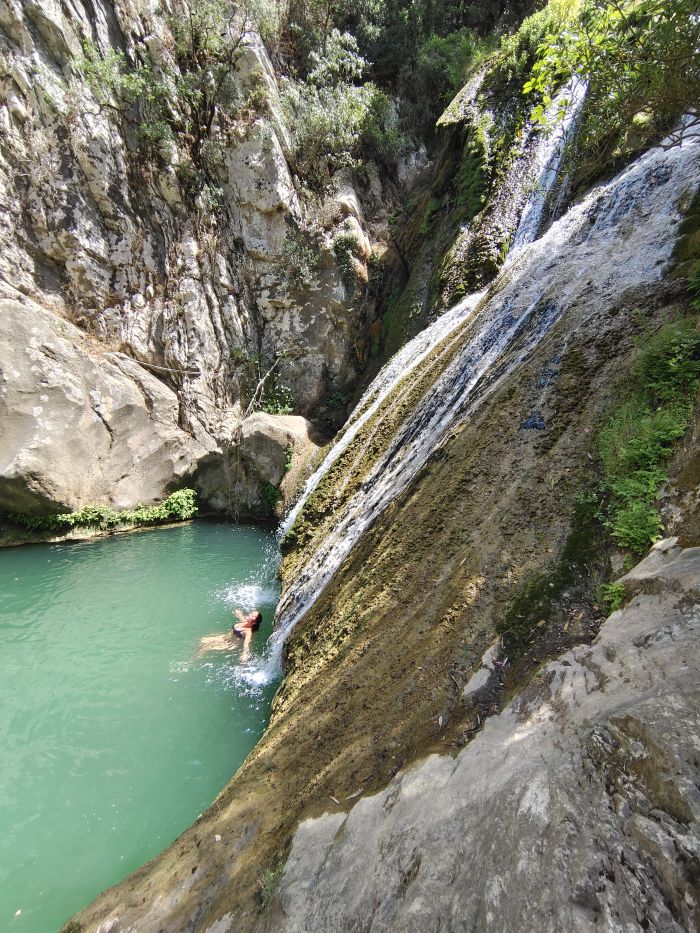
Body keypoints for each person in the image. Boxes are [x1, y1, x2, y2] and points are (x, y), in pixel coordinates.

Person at [197, 608, 262, 663]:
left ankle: (195, 661)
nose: (249, 614)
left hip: (228, 644)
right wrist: (237, 612)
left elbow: (246, 644)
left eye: (252, 615)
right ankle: (196, 656)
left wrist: (244, 654)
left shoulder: (248, 632)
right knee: (202, 641)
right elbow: (240, 615)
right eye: (251, 613)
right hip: (223, 637)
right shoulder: (245, 621)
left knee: (204, 648)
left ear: (254, 622)